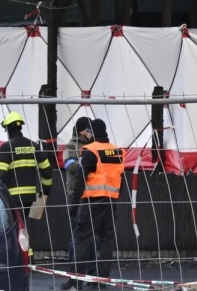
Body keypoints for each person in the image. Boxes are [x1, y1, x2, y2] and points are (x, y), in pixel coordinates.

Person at [72, 119, 124, 286]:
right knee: (106, 241)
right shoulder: (116, 151)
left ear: (92, 132)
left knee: (82, 239)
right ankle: (101, 281)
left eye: (88, 132)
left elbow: (80, 180)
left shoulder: (90, 151)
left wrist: (73, 204)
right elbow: (120, 178)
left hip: (91, 202)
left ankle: (76, 281)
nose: (87, 135)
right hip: (110, 202)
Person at [0, 111, 53, 235]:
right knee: (21, 225)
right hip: (28, 198)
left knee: (14, 228)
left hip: (11, 197)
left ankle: (20, 252)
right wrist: (45, 189)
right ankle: (24, 251)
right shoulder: (33, 145)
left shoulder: (6, 147)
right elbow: (46, 169)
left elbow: (0, 175)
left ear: (8, 128)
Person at [60, 117, 94, 289]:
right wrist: (87, 164)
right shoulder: (71, 146)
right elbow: (69, 165)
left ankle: (92, 275)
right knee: (76, 238)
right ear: (81, 130)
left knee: (93, 239)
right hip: (76, 197)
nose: (90, 133)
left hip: (93, 196)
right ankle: (73, 277)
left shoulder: (94, 146)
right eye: (87, 130)